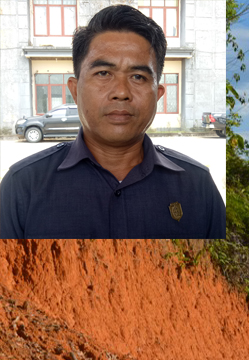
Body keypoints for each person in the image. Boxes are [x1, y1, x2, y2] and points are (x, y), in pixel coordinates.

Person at [0, 5, 225, 239]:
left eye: (138, 77)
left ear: (157, 95)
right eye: (104, 73)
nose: (120, 92)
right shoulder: (22, 187)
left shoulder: (197, 187)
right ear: (75, 91)